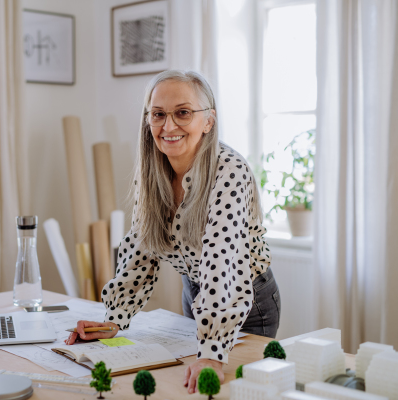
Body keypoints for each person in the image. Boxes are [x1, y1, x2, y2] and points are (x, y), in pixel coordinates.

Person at [65, 70, 280, 394]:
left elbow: (221, 264)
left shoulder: (229, 171)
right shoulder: (153, 173)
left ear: (208, 120)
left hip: (244, 300)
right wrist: (114, 318)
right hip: (195, 293)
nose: (168, 126)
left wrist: (211, 354)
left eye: (182, 113)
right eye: (158, 115)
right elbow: (139, 253)